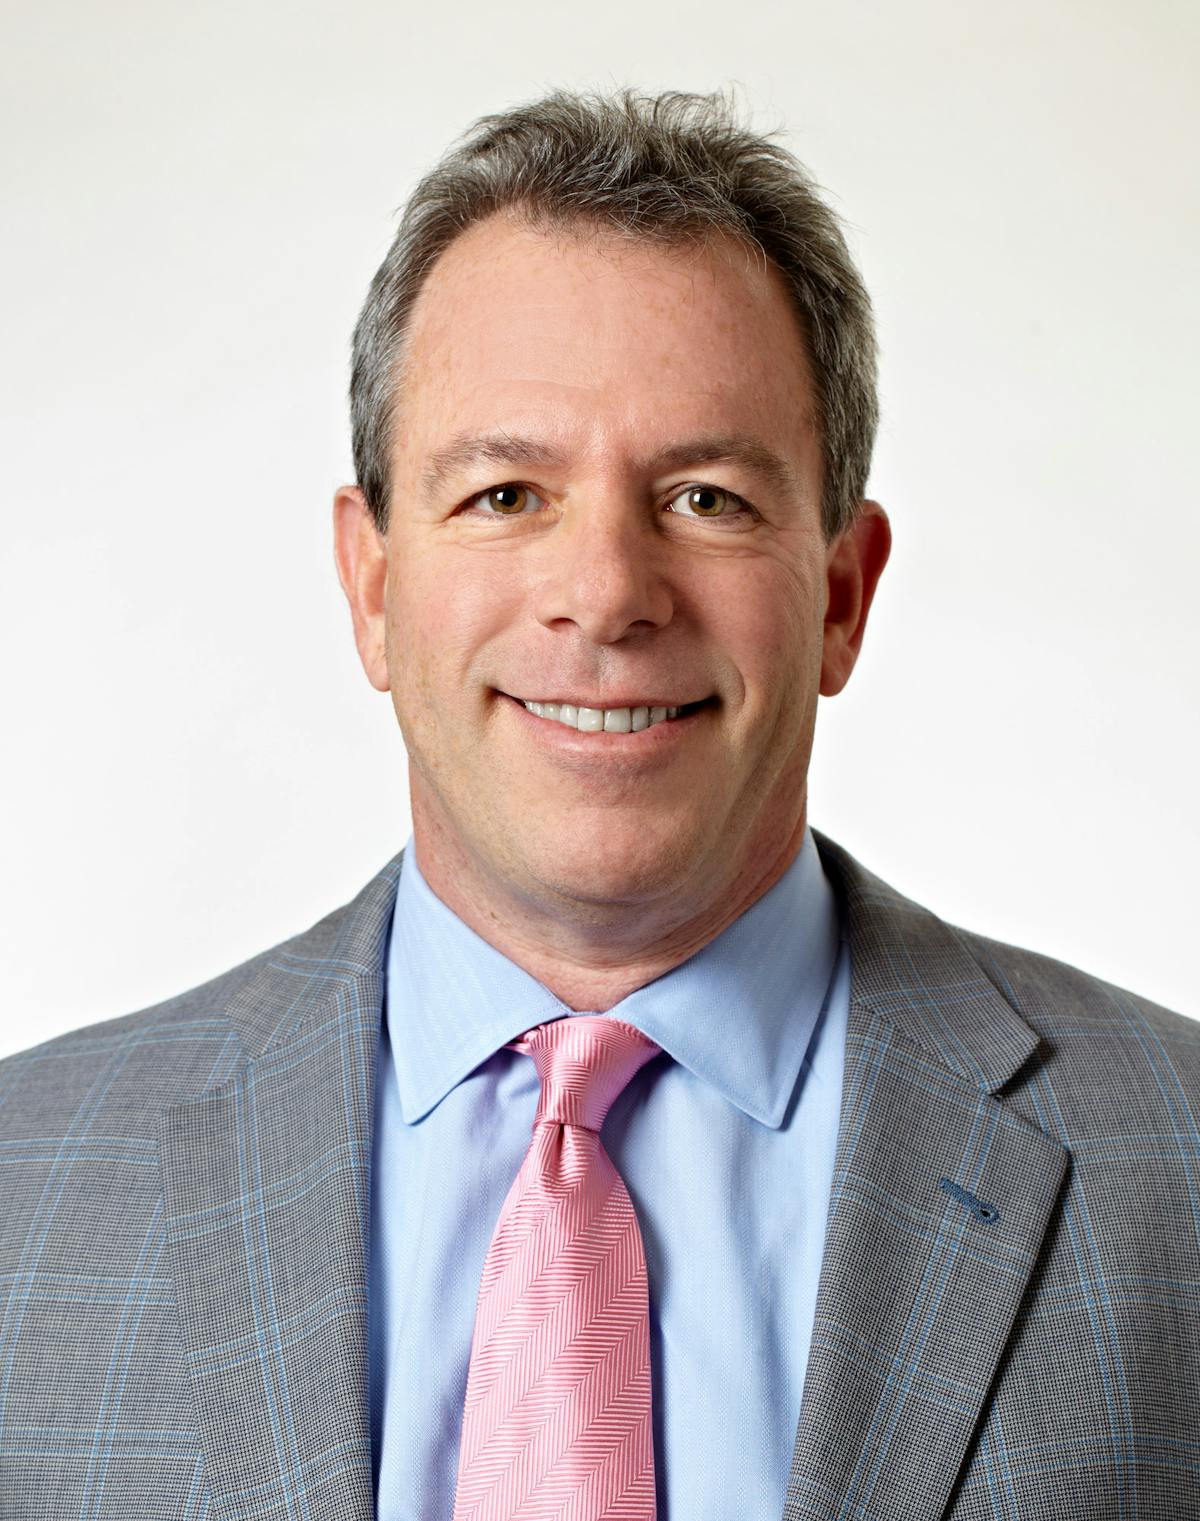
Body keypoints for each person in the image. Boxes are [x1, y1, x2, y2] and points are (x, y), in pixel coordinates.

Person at [0, 86, 1195, 1521]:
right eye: (506, 493)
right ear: (374, 588)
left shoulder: (1174, 1165)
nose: (609, 595)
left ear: (839, 593)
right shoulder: (28, 1184)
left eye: (705, 498)